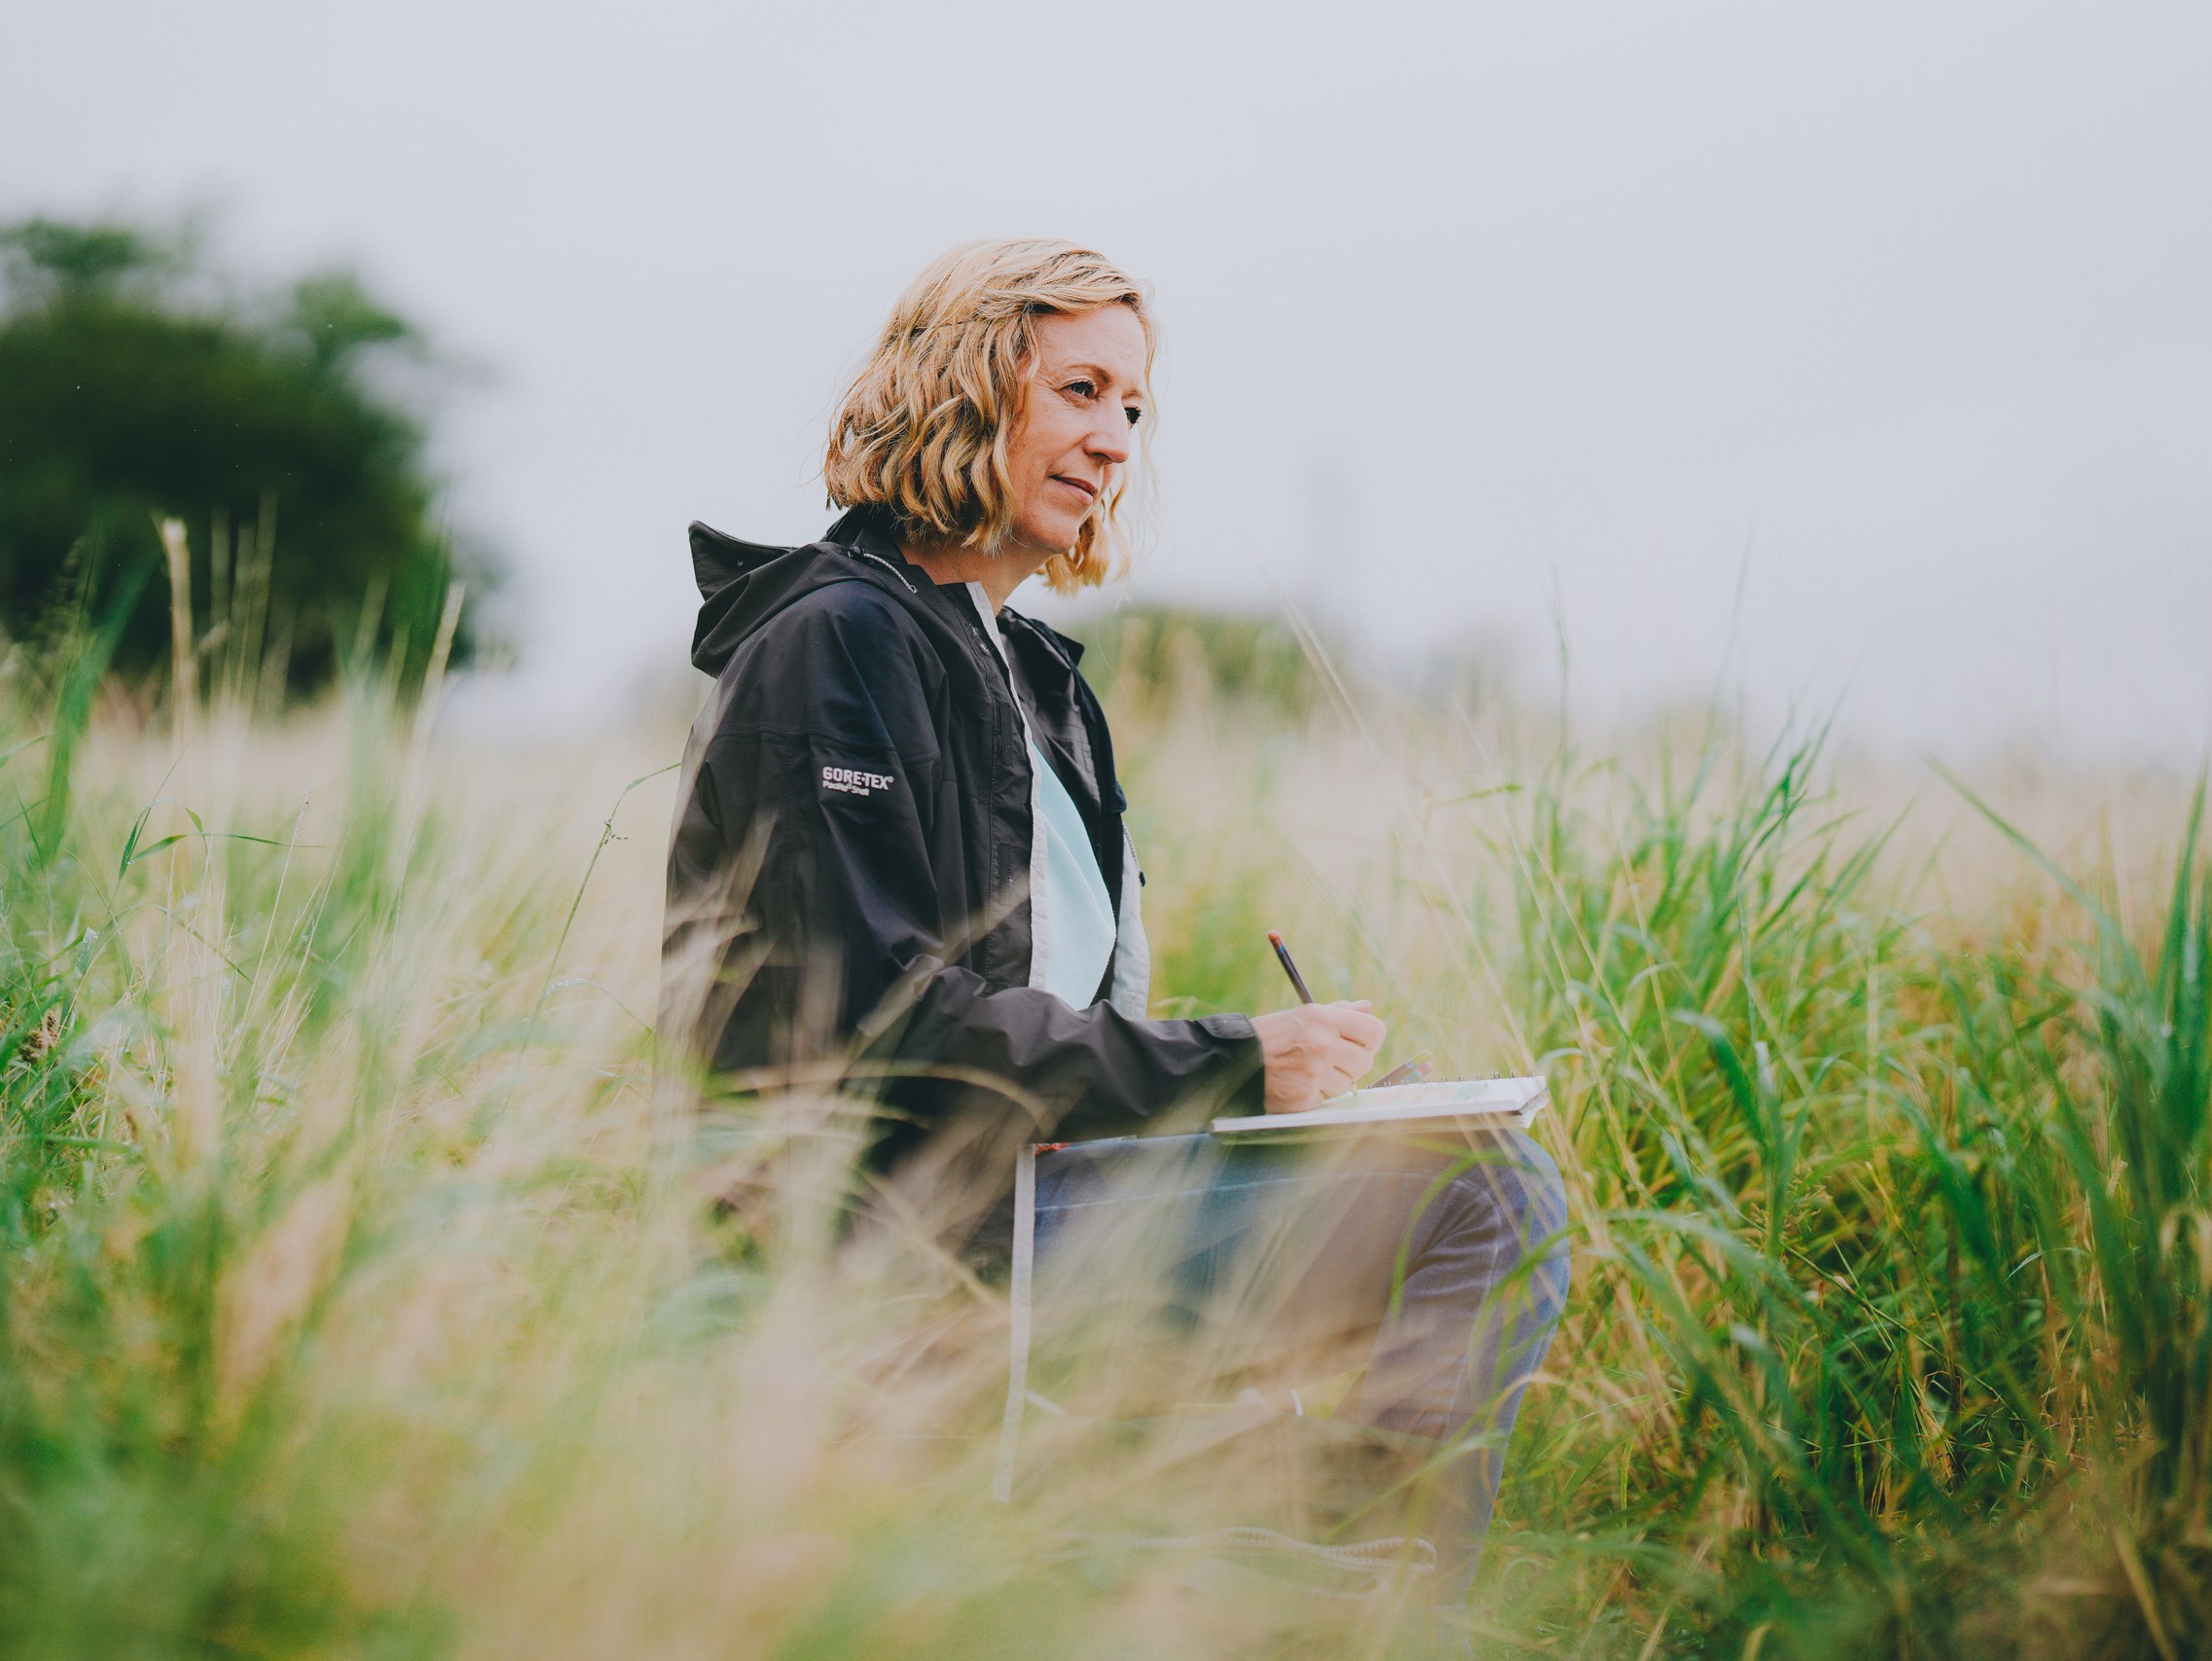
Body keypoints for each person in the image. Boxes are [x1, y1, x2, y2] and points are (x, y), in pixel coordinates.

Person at [662, 238, 1568, 1604]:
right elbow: (876, 1022)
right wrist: (1230, 1058)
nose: (1114, 441)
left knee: (1460, 1141)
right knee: (1486, 1193)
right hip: (911, 1241)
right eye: (1081, 390)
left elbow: (1075, 1019)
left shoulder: (1041, 684)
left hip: (1063, 1194)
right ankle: (1363, 1582)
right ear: (966, 386)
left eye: (1134, 410)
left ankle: (1330, 1562)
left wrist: (1278, 1106)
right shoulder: (833, 642)